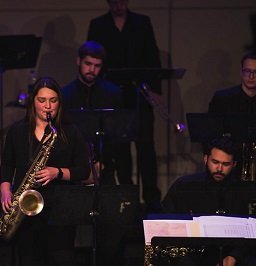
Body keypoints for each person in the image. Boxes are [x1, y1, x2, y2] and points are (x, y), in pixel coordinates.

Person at [0, 77, 90, 266]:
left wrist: (56, 172)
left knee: (61, 259)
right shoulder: (17, 131)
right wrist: (5, 190)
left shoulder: (70, 132)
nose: (47, 106)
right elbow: (8, 164)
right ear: (33, 102)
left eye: (53, 100)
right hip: (26, 211)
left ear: (59, 102)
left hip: (61, 210)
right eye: (42, 100)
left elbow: (83, 170)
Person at [87, 0, 162, 212]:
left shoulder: (142, 22)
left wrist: (155, 91)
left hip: (140, 93)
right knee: (119, 148)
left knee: (146, 145)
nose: (119, 5)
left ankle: (151, 197)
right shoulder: (98, 25)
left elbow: (152, 56)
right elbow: (93, 59)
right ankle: (127, 194)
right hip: (112, 96)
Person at [161, 137, 255, 266]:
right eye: (215, 162)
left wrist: (233, 257)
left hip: (231, 257)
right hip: (191, 256)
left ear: (234, 165)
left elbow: (250, 234)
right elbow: (165, 226)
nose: (219, 168)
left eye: (226, 164)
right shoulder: (184, 187)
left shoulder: (242, 192)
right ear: (205, 159)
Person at [62, 40, 125, 184]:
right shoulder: (65, 94)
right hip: (74, 166)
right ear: (78, 61)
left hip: (106, 165)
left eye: (97, 66)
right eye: (88, 64)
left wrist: (102, 161)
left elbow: (117, 132)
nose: (92, 70)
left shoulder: (112, 93)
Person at [208, 52, 256, 181]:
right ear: (241, 72)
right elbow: (211, 135)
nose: (251, 76)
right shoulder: (223, 99)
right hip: (229, 166)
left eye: (255, 72)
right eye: (247, 71)